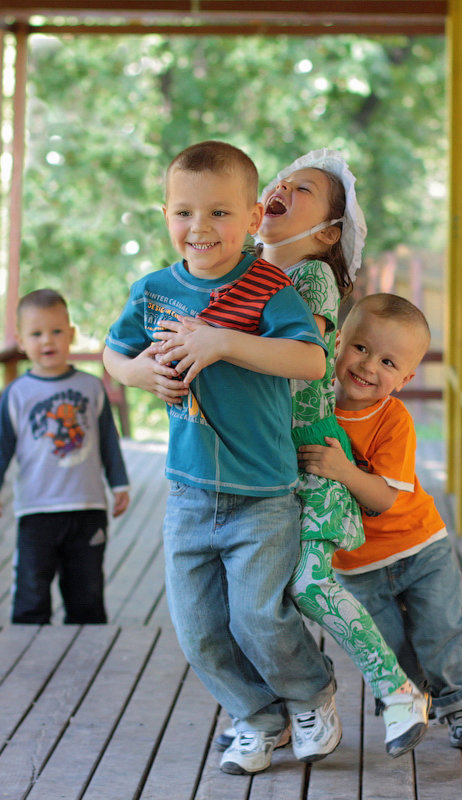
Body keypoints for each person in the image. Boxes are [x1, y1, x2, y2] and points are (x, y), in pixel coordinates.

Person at [173, 150, 429, 758]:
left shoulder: (307, 276)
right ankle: (271, 709)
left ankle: (396, 692)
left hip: (309, 453)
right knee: (253, 604)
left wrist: (218, 343)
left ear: (329, 232)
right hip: (265, 464)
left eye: (304, 189)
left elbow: (300, 357)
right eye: (281, 182)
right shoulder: (243, 276)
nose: (284, 187)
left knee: (310, 586)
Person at [103, 141, 340, 776]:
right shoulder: (153, 290)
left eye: (219, 213)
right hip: (186, 492)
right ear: (165, 216)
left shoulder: (269, 288)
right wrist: (139, 373)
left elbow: (310, 360)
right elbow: (112, 353)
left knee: (259, 617)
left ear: (254, 214)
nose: (200, 228)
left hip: (261, 491)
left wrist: (223, 342)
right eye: (183, 213)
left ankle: (310, 693)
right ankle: (257, 719)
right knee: (199, 629)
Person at [299, 293, 462, 749]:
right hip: (356, 563)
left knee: (440, 629)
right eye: (361, 348)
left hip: (418, 546)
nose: (369, 366)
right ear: (338, 340)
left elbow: (384, 498)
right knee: (386, 639)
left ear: (405, 379)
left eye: (388, 362)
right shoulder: (312, 404)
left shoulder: (393, 420)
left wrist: (344, 470)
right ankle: (411, 700)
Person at [0, 289, 130, 624]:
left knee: (86, 594)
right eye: (36, 334)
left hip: (87, 508)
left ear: (71, 334)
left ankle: (87, 656)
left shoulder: (91, 388)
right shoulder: (17, 393)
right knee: (32, 592)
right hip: (36, 510)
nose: (48, 341)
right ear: (20, 340)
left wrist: (119, 484)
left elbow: (108, 441)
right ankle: (29, 659)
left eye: (57, 331)